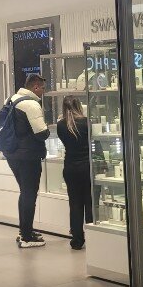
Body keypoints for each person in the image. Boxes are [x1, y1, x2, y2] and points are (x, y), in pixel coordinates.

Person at [5, 73, 50, 248]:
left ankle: (25, 230)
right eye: (42, 88)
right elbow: (42, 133)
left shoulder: (12, 99)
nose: (43, 92)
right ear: (35, 87)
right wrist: (47, 129)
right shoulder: (31, 104)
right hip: (28, 156)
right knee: (30, 194)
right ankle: (26, 237)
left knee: (25, 192)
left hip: (12, 153)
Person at [57, 95, 93, 250]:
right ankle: (93, 237)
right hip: (87, 167)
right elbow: (94, 143)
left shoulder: (61, 125)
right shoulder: (86, 122)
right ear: (79, 106)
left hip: (70, 167)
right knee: (90, 203)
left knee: (75, 204)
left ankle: (77, 239)